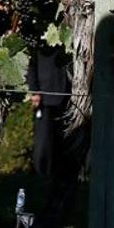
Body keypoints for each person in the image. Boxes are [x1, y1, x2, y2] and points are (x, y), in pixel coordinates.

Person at [27, 44, 72, 179]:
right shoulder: (38, 39)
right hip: (45, 98)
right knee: (43, 140)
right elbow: (31, 65)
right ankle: (42, 172)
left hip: (65, 95)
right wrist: (35, 90)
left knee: (62, 139)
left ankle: (59, 174)